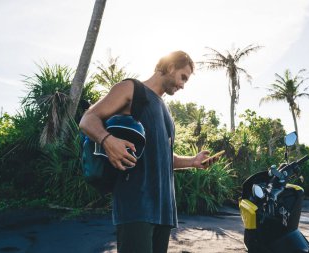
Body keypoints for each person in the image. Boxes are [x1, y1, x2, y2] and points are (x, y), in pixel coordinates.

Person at [79, 50, 217, 253]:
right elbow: (87, 119)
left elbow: (163, 157)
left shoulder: (166, 110)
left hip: (163, 211)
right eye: (183, 77)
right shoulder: (132, 89)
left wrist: (193, 161)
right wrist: (108, 140)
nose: (183, 85)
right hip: (136, 207)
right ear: (170, 67)